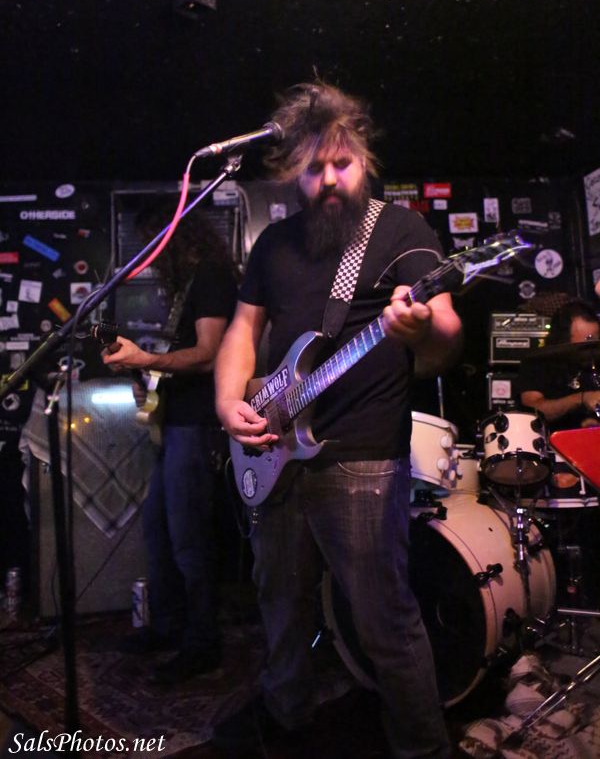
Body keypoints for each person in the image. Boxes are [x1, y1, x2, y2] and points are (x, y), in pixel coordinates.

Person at [213, 82, 463, 758]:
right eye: (313, 167)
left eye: (342, 164)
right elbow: (242, 331)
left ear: (365, 161)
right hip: (275, 448)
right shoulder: (274, 245)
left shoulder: (401, 231)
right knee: (279, 602)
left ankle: (423, 747)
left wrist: (420, 329)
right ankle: (286, 714)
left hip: (362, 456)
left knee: (383, 621)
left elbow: (445, 335)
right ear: (292, 170)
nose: (328, 180)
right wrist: (229, 402)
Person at [103, 206, 237, 686]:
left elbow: (208, 355)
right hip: (176, 421)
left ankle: (202, 642)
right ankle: (168, 626)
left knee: (189, 537)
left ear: (177, 237)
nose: (153, 256)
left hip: (198, 424)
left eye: (156, 244)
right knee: (158, 531)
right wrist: (147, 374)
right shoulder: (189, 284)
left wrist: (146, 358)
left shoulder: (213, 276)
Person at [518, 299, 600, 431]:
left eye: (595, 343)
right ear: (564, 341)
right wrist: (581, 398)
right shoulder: (538, 363)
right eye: (585, 345)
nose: (591, 351)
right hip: (551, 439)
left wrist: (594, 426)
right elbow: (532, 409)